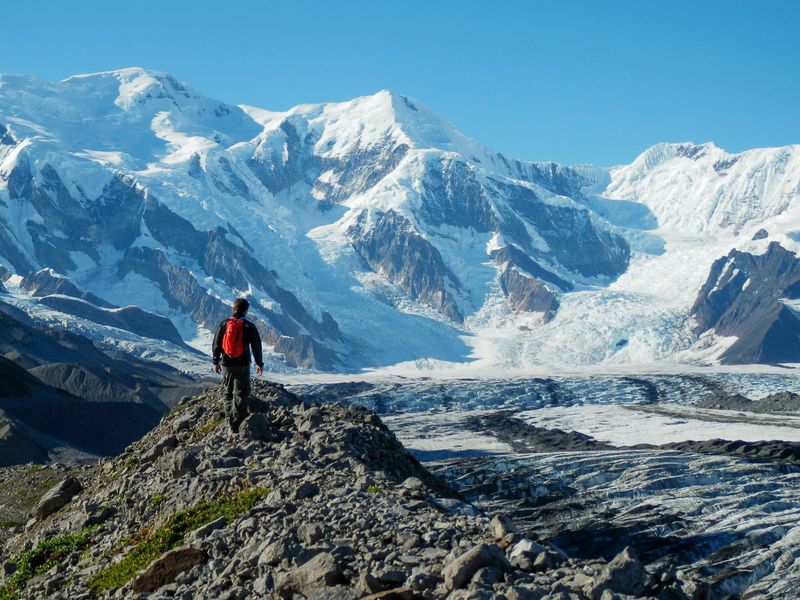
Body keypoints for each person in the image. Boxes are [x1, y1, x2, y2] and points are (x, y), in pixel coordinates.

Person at [212, 298, 264, 432]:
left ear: (233, 308)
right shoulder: (249, 326)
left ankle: (229, 420)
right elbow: (256, 346)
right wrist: (259, 363)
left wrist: (215, 361)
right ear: (246, 311)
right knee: (241, 393)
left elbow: (216, 343)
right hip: (242, 364)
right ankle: (236, 424)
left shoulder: (224, 324)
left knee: (228, 392)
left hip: (226, 364)